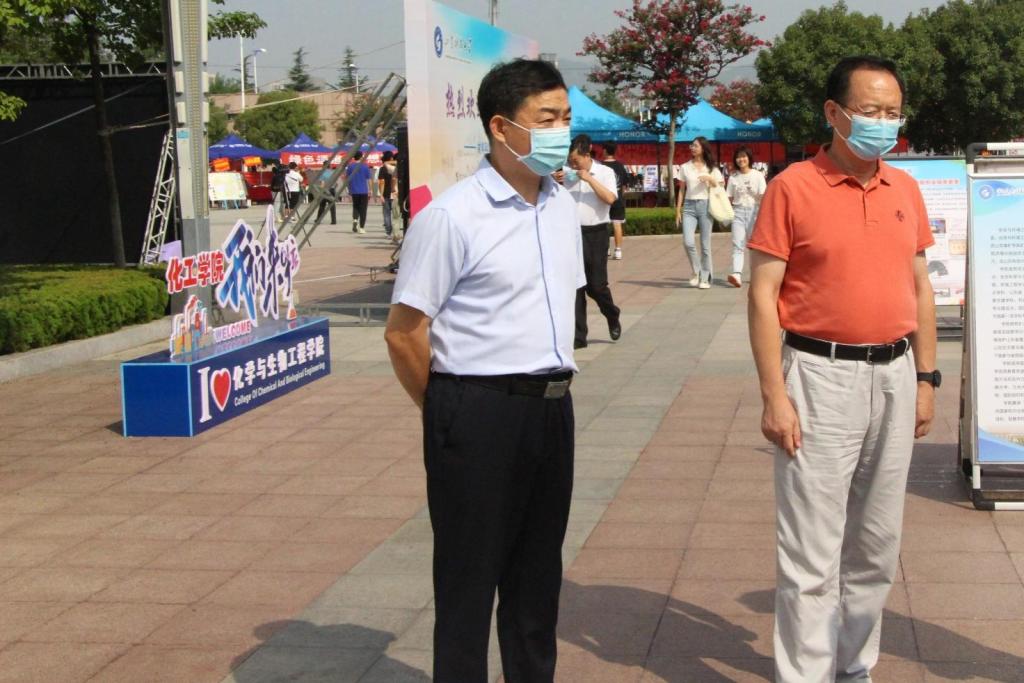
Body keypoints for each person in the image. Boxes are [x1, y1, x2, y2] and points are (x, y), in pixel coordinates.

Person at [384, 58, 583, 683]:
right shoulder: (452, 217)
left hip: (551, 408)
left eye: (566, 117)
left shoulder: (561, 205)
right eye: (545, 119)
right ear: (501, 127)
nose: (561, 131)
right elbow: (404, 332)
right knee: (469, 582)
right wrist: (451, 409)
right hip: (477, 411)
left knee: (537, 580)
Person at [747, 55, 937, 683]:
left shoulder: (904, 188)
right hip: (818, 375)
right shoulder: (792, 187)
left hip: (895, 373)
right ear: (834, 112)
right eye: (870, 110)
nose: (884, 122)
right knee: (811, 549)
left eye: (893, 112)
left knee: (877, 546)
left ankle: (855, 668)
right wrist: (774, 395)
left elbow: (920, 285)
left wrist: (927, 378)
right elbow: (762, 295)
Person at [562, 134, 621, 349]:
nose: (572, 165)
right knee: (576, 286)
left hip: (595, 233)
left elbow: (610, 199)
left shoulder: (605, 172)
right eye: (570, 161)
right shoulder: (565, 174)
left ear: (587, 155)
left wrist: (589, 179)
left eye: (576, 161)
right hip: (571, 234)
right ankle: (579, 337)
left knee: (596, 286)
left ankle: (612, 314)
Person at [674, 136, 724, 289]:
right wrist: (678, 210)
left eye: (695, 145)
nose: (692, 148)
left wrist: (709, 179)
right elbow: (681, 190)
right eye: (691, 145)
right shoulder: (685, 167)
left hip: (705, 205)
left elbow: (720, 186)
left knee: (705, 245)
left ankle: (706, 278)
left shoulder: (712, 168)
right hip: (689, 206)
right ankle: (697, 271)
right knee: (688, 242)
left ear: (703, 148)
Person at [725, 145, 767, 287]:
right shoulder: (733, 177)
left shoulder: (757, 175)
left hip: (754, 211)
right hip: (737, 212)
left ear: (749, 158)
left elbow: (763, 196)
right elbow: (729, 197)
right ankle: (737, 274)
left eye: (743, 156)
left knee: (754, 245)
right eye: (738, 157)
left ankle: (756, 274)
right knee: (738, 244)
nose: (741, 159)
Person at [601, 141, 630, 260]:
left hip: (603, 199)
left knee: (603, 225)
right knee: (617, 224)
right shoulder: (620, 166)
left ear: (605, 150)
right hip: (617, 199)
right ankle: (618, 250)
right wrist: (620, 196)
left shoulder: (600, 166)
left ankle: (605, 249)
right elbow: (624, 185)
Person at [346, 150, 372, 234]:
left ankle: (355, 220)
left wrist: (349, 190)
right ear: (361, 157)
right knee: (363, 209)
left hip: (354, 190)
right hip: (364, 191)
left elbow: (347, 179)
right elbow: (369, 179)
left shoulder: (350, 166)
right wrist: (370, 190)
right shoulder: (365, 166)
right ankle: (361, 228)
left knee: (355, 206)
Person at [378, 150, 397, 241]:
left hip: (386, 193)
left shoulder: (383, 169)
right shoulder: (396, 167)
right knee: (396, 215)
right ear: (391, 158)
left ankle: (388, 233)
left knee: (386, 214)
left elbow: (382, 182)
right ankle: (396, 232)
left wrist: (381, 194)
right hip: (395, 193)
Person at [315, 161, 337, 225]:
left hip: (325, 190)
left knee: (322, 205)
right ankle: (333, 220)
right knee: (332, 205)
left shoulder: (322, 173)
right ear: (330, 166)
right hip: (332, 189)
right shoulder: (333, 173)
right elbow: (336, 183)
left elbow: (322, 183)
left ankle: (318, 219)